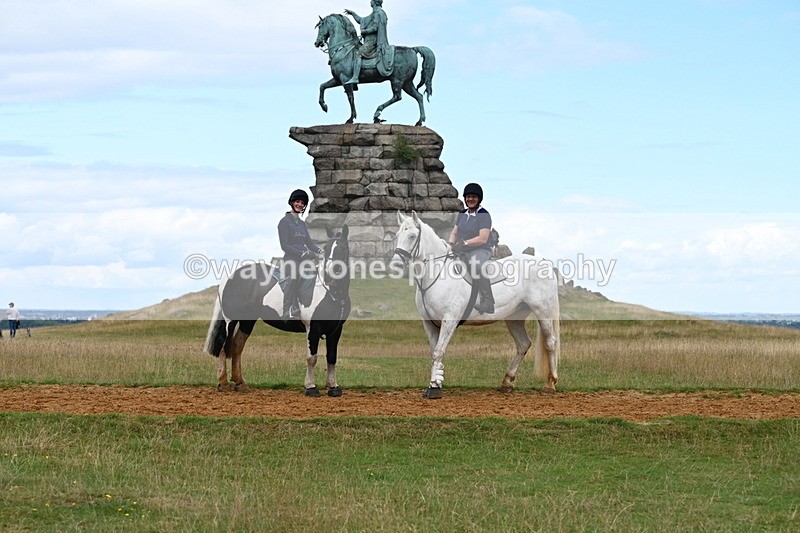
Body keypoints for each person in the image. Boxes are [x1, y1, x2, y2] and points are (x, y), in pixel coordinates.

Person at [448, 183, 495, 314]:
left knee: (477, 266)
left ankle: (488, 301)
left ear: (479, 199)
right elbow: (454, 233)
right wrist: (451, 244)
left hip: (480, 249)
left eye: (473, 197)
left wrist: (464, 244)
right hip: (462, 249)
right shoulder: (462, 213)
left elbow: (483, 238)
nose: (470, 199)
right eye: (468, 196)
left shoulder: (484, 215)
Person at [278, 189, 323, 320]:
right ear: (292, 202)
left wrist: (320, 250)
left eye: (302, 203)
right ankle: (287, 310)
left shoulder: (303, 224)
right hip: (291, 259)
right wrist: (301, 253)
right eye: (297, 202)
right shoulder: (284, 222)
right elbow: (284, 246)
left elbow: (309, 243)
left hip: (305, 259)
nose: (300, 204)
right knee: (293, 277)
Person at [344, 0, 395, 84]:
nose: (370, 2)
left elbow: (375, 28)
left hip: (373, 42)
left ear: (374, 2)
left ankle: (355, 77)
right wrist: (353, 14)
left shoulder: (378, 13)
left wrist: (365, 31)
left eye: (371, 1)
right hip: (369, 41)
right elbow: (361, 20)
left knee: (358, 53)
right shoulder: (375, 13)